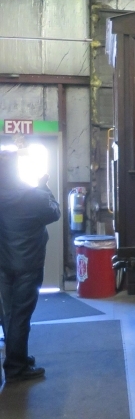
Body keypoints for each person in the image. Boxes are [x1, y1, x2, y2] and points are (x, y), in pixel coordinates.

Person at [0, 148, 61, 383]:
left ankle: (19, 358)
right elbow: (54, 212)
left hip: (4, 262)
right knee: (21, 316)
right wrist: (43, 186)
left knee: (9, 314)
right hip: (28, 263)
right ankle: (16, 368)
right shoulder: (33, 196)